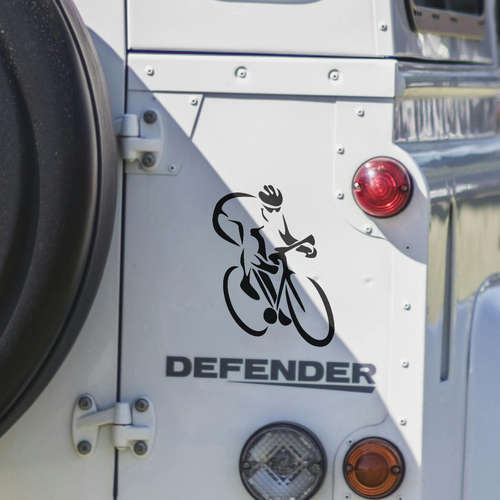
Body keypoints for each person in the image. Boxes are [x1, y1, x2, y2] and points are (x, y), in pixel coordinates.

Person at [213, 185, 316, 323]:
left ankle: (279, 308)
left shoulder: (275, 214)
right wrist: (264, 264)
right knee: (255, 251)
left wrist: (304, 247)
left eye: (277, 209)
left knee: (272, 266)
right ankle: (245, 279)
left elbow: (287, 237)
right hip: (226, 219)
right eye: (271, 209)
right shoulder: (251, 212)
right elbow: (249, 244)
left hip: (255, 231)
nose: (275, 212)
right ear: (263, 206)